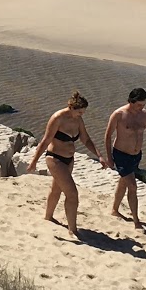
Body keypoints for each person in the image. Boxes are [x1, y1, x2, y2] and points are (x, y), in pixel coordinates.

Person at [26, 91, 99, 238]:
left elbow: (85, 139)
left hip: (69, 160)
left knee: (56, 189)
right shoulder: (57, 118)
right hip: (55, 159)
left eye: (83, 113)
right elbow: (45, 141)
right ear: (71, 107)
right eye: (79, 112)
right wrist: (34, 161)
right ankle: (73, 229)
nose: (81, 115)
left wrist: (100, 156)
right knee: (72, 194)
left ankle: (48, 216)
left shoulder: (78, 120)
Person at [102, 87, 146, 228]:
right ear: (131, 101)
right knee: (133, 186)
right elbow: (108, 136)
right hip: (121, 155)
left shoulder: (145, 115)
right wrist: (109, 158)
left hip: (136, 156)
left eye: (144, 105)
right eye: (139, 105)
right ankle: (136, 220)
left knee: (124, 182)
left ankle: (114, 210)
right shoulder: (118, 114)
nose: (142, 107)